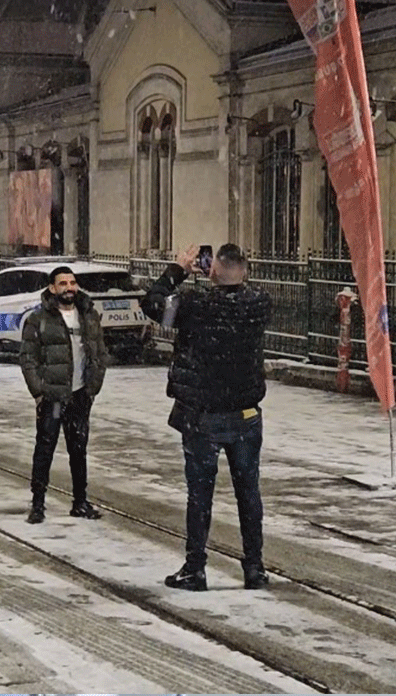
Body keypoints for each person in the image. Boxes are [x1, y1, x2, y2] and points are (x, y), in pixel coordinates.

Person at [141, 244, 272, 592]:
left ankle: (195, 567)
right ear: (245, 270)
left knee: (200, 494)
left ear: (211, 270)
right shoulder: (259, 303)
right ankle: (254, 567)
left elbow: (153, 305)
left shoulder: (194, 305)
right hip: (246, 415)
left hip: (203, 415)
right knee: (249, 492)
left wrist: (178, 271)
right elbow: (239, 292)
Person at [19, 266, 108, 524]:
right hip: (52, 396)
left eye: (72, 283)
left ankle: (80, 502)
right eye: (63, 283)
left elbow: (100, 353)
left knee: (78, 450)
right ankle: (38, 504)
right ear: (52, 288)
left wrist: (93, 386)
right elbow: (28, 358)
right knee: (45, 449)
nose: (69, 288)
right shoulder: (39, 319)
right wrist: (39, 392)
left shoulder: (89, 316)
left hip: (80, 395)